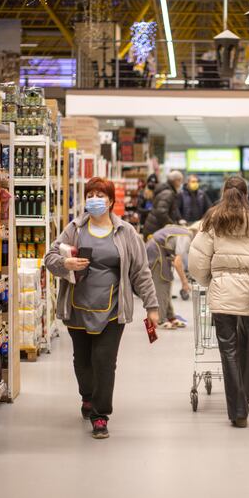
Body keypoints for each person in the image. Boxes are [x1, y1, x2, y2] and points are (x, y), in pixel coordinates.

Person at [44, 177, 160, 439]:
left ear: (110, 201)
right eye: (90, 194)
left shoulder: (126, 232)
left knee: (105, 361)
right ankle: (87, 396)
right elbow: (49, 258)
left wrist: (152, 306)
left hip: (112, 310)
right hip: (78, 307)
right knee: (82, 361)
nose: (94, 199)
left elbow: (140, 272)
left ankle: (100, 415)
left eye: (100, 195)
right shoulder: (74, 228)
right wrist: (65, 265)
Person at [189, 176, 249, 428]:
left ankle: (238, 410)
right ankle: (246, 394)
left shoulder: (212, 219)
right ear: (246, 192)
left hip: (222, 292)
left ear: (224, 192)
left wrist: (211, 281)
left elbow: (197, 261)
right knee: (246, 345)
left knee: (228, 349)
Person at [146, 224, 193, 330]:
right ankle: (160, 320)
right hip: (155, 249)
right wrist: (184, 282)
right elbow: (177, 262)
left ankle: (170, 316)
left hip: (160, 249)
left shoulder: (186, 233)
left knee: (166, 282)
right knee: (161, 284)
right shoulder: (186, 238)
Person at [143, 170, 184, 237]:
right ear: (176, 181)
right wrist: (172, 226)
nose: (180, 184)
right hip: (155, 230)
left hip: (155, 228)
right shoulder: (168, 193)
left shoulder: (168, 191)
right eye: (180, 181)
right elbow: (161, 213)